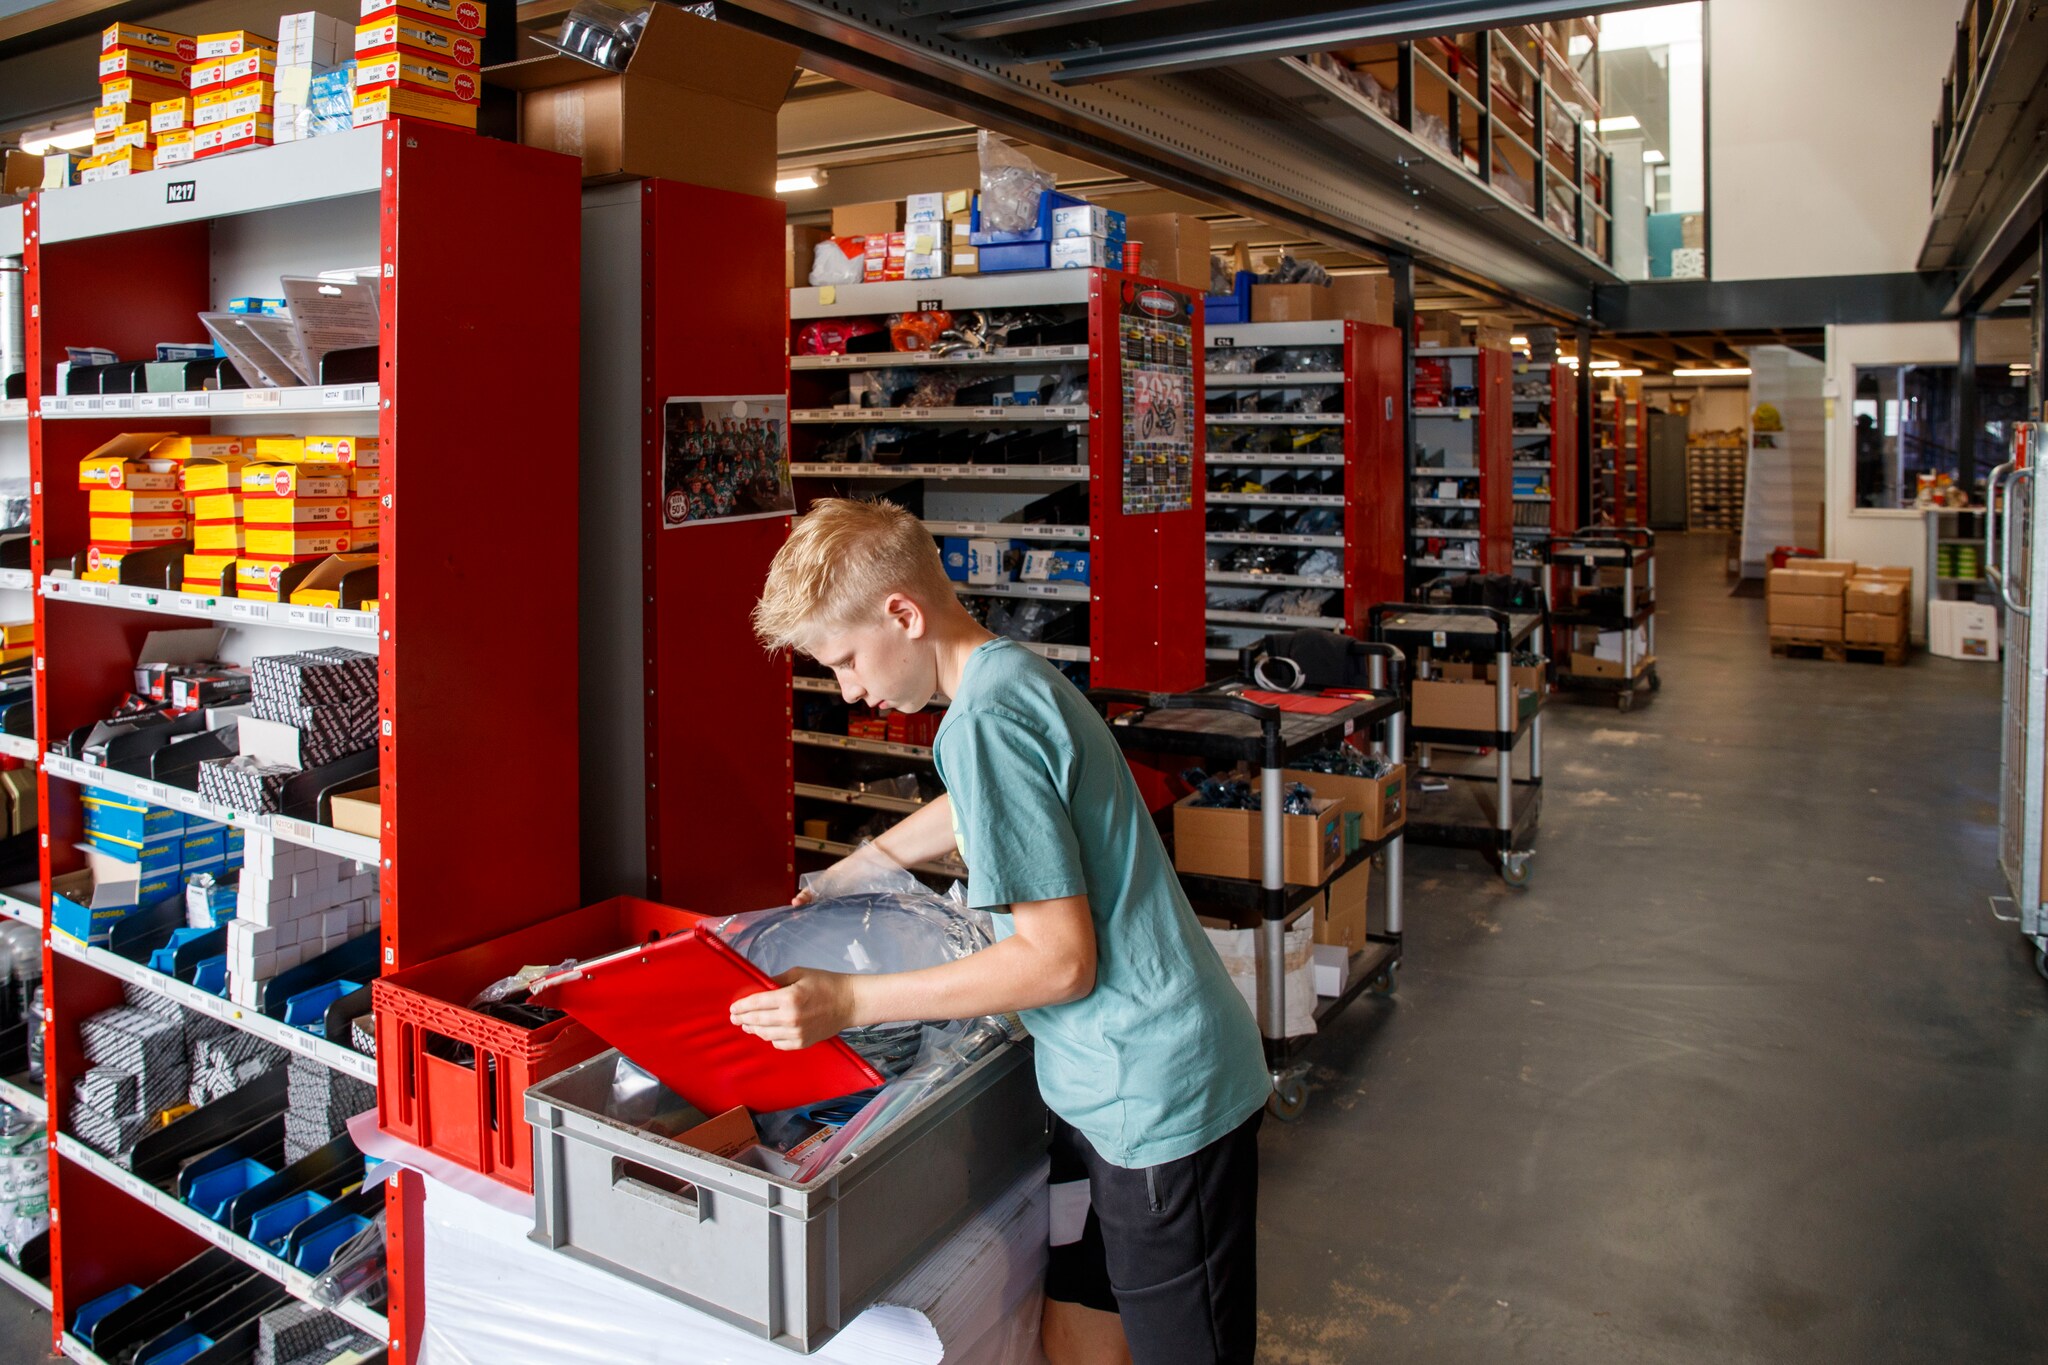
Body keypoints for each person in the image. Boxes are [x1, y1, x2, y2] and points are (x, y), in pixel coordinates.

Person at [734, 497, 1271, 1365]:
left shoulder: (981, 719)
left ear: (901, 614)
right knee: (1078, 1331)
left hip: (1161, 1101)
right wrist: (862, 867)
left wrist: (849, 1000)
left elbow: (1058, 962)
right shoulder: (1005, 674)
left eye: (844, 661)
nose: (851, 691)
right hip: (1103, 1092)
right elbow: (980, 798)